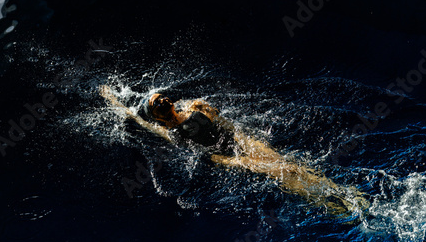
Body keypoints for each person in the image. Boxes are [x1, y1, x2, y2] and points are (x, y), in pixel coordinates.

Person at [100, 85, 370, 215]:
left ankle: (347, 194)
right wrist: (114, 102)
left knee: (292, 167)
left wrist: (200, 114)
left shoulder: (190, 109)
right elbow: (138, 120)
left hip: (241, 142)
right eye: (158, 103)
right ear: (157, 115)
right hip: (229, 158)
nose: (162, 100)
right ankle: (341, 211)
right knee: (284, 173)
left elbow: (219, 117)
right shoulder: (171, 132)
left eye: (161, 97)